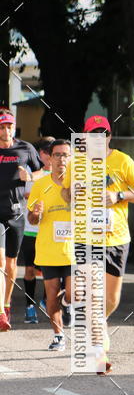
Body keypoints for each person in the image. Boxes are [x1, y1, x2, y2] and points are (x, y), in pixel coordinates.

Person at [61, 115, 134, 372]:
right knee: (94, 297)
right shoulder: (77, 163)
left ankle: (98, 323)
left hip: (117, 238)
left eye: (104, 133)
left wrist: (119, 195)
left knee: (111, 299)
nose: (99, 138)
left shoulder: (122, 161)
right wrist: (71, 194)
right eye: (93, 134)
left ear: (109, 136)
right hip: (85, 237)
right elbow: (65, 192)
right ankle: (98, 351)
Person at [27, 140, 73, 351]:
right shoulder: (40, 185)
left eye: (65, 155)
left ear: (71, 158)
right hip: (48, 250)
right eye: (57, 155)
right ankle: (59, 336)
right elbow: (31, 219)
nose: (62, 159)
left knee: (74, 293)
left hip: (74, 250)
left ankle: (68, 304)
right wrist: (36, 213)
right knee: (51, 297)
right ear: (50, 158)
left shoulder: (79, 183)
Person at [0, 110, 44, 331]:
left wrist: (30, 177)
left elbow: (41, 171)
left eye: (9, 126)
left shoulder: (25, 148)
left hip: (15, 214)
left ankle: (6, 306)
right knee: (0, 262)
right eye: (2, 127)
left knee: (10, 265)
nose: (6, 130)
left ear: (13, 127)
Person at [21, 137, 54, 324]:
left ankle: (45, 300)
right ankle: (29, 306)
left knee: (51, 270)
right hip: (31, 229)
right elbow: (26, 193)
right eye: (49, 153)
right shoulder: (30, 173)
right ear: (41, 154)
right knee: (30, 270)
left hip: (52, 230)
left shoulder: (63, 174)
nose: (52, 157)